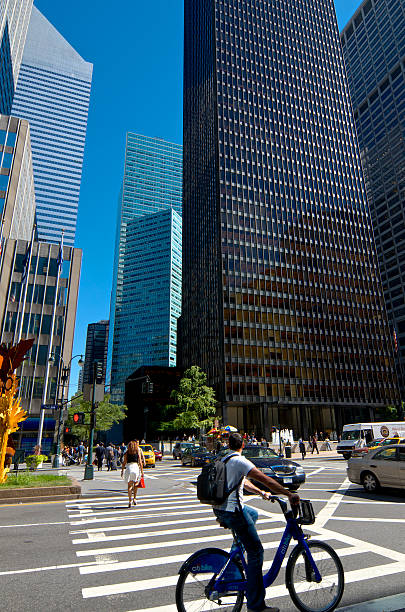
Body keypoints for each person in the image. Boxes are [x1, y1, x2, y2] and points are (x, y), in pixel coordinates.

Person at [213, 432, 299, 612]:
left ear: (229, 445)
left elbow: (244, 483)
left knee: (252, 514)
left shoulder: (226, 459)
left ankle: (236, 553)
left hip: (222, 509)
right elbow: (265, 478)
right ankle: (256, 605)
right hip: (233, 512)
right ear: (242, 445)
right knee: (256, 552)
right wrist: (288, 493)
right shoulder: (240, 461)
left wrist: (261, 493)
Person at [121, 439, 145, 507]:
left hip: (129, 468)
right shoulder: (137, 452)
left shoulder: (127, 452)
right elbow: (140, 462)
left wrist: (122, 470)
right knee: (136, 484)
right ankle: (134, 498)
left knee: (129, 486)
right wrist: (142, 471)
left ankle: (129, 500)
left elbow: (124, 463)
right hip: (135, 467)